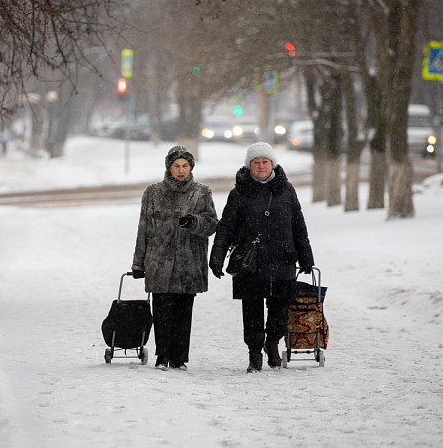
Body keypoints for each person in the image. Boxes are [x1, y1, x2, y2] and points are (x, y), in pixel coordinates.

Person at [208, 142, 314, 373]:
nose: (261, 166)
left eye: (265, 161)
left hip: (282, 259)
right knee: (252, 312)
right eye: (256, 162)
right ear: (249, 166)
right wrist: (217, 256)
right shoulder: (238, 194)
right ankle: (254, 353)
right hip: (250, 262)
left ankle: (273, 343)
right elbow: (226, 228)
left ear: (272, 164)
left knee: (279, 310)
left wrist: (306, 256)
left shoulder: (287, 191)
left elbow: (298, 226)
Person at [132, 146, 218, 370]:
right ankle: (162, 356)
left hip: (189, 262)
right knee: (161, 311)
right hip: (159, 261)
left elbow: (212, 224)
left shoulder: (201, 192)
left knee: (183, 312)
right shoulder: (153, 193)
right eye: (176, 166)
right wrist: (138, 263)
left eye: (185, 166)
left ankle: (179, 358)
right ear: (168, 167)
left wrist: (195, 222)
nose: (181, 171)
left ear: (191, 168)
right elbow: (144, 229)